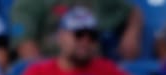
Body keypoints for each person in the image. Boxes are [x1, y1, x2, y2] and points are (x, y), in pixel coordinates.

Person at [11, 0, 143, 61]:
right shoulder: (27, 3)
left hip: (94, 67)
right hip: (53, 66)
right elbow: (25, 45)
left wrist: (130, 35)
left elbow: (132, 12)